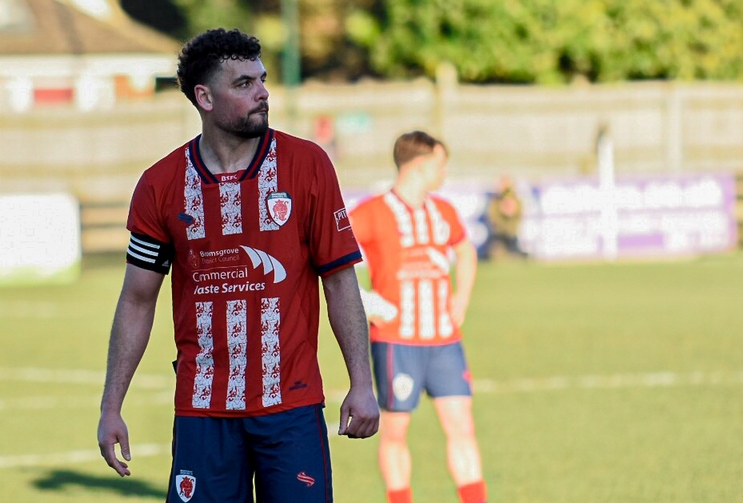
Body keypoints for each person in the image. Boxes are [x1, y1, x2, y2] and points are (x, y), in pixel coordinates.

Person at [97, 28, 379, 503]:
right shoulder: (160, 184)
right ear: (204, 98)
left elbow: (339, 280)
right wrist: (111, 406)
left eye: (262, 79)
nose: (263, 92)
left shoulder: (307, 164)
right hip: (203, 410)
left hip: (290, 405)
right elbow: (137, 299)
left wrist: (362, 383)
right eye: (244, 83)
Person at [349, 131, 487, 503]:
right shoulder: (371, 212)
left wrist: (461, 298)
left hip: (445, 341)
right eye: (441, 165)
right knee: (395, 432)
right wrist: (366, 302)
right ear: (420, 165)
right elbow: (331, 257)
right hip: (397, 341)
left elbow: (466, 251)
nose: (445, 173)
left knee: (462, 426)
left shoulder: (443, 211)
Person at [487, 175, 527, 259]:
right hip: (498, 236)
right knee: (496, 255)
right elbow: (493, 219)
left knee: (514, 256)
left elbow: (517, 215)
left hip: (511, 236)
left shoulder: (516, 200)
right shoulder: (495, 201)